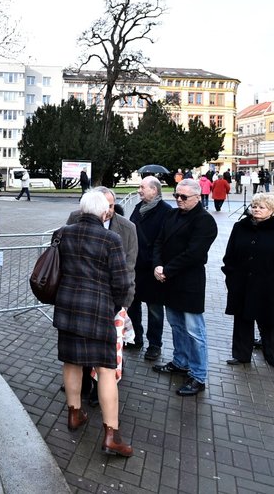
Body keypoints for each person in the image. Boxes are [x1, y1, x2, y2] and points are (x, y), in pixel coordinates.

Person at [54, 190, 135, 457]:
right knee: (106, 369)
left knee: (72, 362)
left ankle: (74, 415)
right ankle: (112, 435)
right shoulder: (111, 239)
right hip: (99, 312)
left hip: (67, 308)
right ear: (104, 213)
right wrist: (115, 307)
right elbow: (122, 283)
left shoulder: (63, 233)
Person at [65, 187, 138, 404]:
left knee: (106, 356)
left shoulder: (126, 229)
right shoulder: (74, 220)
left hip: (112, 301)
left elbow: (129, 268)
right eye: (105, 206)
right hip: (81, 301)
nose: (109, 211)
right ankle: (82, 386)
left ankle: (98, 391)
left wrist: (123, 303)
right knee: (80, 350)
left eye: (112, 206)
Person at [151, 178, 217, 396]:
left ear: (198, 197)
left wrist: (166, 269)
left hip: (189, 283)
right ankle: (180, 362)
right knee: (176, 325)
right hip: (168, 280)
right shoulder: (172, 214)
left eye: (184, 197)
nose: (178, 200)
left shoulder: (205, 221)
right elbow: (158, 240)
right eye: (176, 195)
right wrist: (158, 265)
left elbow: (194, 253)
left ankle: (198, 375)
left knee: (194, 332)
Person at [221, 193, 274, 368]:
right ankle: (241, 355)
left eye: (262, 207)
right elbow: (230, 254)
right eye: (254, 206)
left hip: (268, 286)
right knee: (242, 319)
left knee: (268, 321)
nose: (257, 210)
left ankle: (272, 355)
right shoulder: (240, 227)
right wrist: (230, 275)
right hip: (242, 284)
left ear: (271, 210)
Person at [128, 176, 173, 362]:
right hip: (135, 267)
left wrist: (159, 265)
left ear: (154, 190)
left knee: (155, 310)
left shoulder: (166, 211)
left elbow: (166, 242)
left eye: (142, 187)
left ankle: (154, 344)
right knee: (132, 306)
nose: (139, 190)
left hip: (154, 269)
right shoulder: (138, 209)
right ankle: (135, 338)